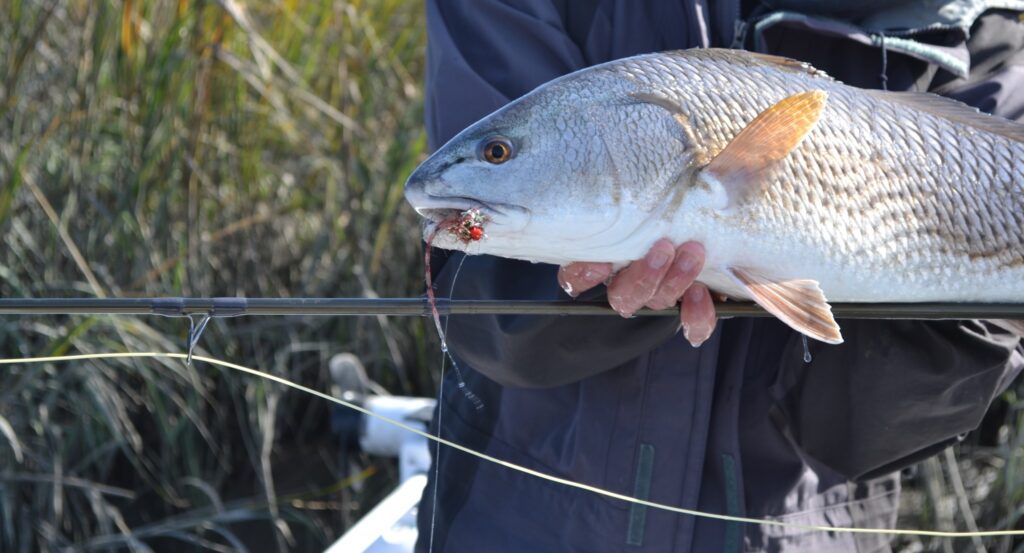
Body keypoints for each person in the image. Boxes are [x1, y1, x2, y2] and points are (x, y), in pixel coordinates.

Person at [415, 2, 1024, 551]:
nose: (433, 194)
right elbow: (477, 289)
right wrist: (604, 300)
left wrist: (970, 320)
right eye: (499, 153)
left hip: (796, 528)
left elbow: (886, 421)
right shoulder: (476, 204)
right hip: (517, 522)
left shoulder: (988, 31)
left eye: (499, 153)